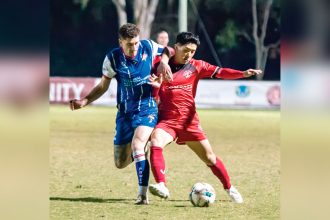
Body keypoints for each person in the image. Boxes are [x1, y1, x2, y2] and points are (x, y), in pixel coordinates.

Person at [148, 32, 262, 203]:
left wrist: (242, 74)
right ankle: (162, 185)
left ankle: (229, 188)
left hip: (189, 122)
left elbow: (221, 72)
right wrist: (156, 87)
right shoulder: (160, 66)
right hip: (167, 121)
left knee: (209, 158)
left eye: (193, 51)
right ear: (176, 46)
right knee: (156, 141)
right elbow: (153, 96)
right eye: (186, 49)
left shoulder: (197, 66)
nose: (189, 54)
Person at [69, 23, 171, 205]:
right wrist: (85, 101)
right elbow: (102, 86)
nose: (134, 48)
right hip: (124, 113)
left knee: (138, 146)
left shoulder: (148, 45)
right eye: (129, 44)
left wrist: (163, 61)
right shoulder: (112, 58)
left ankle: (142, 195)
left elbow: (168, 50)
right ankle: (140, 151)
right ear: (120, 42)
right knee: (120, 162)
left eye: (136, 43)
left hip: (147, 108)